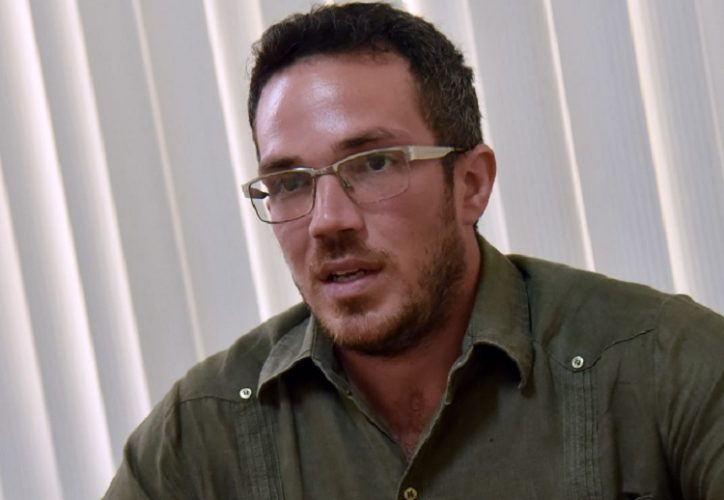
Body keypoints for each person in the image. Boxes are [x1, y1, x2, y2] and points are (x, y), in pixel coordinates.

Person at [104, 3, 724, 498]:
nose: (328, 222)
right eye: (290, 182)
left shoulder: (663, 366)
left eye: (374, 164)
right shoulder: (199, 434)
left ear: (471, 184)